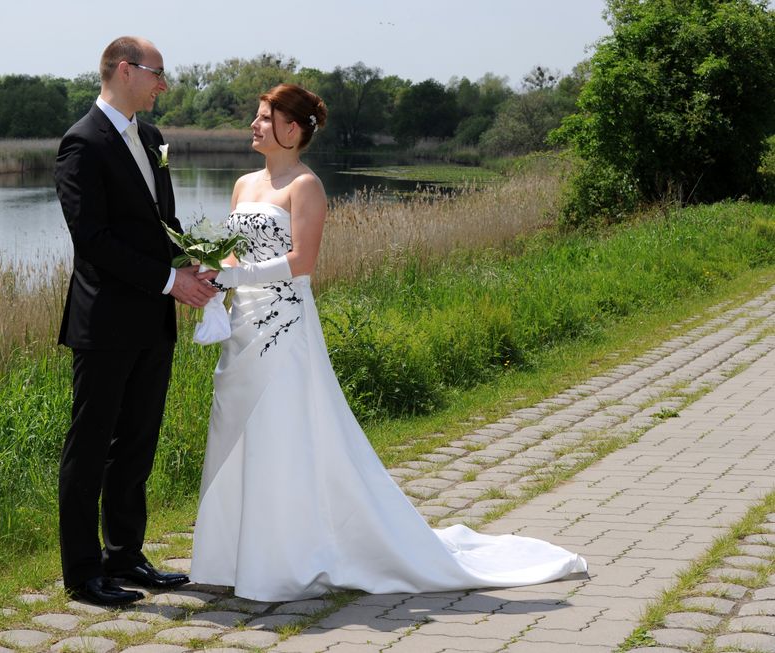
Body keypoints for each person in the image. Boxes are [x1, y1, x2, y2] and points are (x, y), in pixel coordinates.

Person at [189, 84, 587, 601]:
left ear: (291, 129)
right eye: (257, 116)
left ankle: (279, 562)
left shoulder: (305, 187)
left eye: (264, 117)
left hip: (283, 328)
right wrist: (214, 271)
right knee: (234, 435)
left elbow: (301, 263)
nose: (254, 125)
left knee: (278, 436)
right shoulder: (243, 185)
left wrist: (236, 280)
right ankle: (229, 559)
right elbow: (235, 256)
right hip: (242, 327)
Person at [54, 36, 217, 607]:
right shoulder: (81, 143)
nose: (163, 84)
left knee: (138, 443)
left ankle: (124, 554)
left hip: (152, 319)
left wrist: (187, 261)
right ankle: (82, 573)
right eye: (157, 73)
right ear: (125, 71)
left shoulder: (150, 138)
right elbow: (93, 241)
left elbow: (160, 221)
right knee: (91, 446)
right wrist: (171, 283)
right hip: (103, 323)